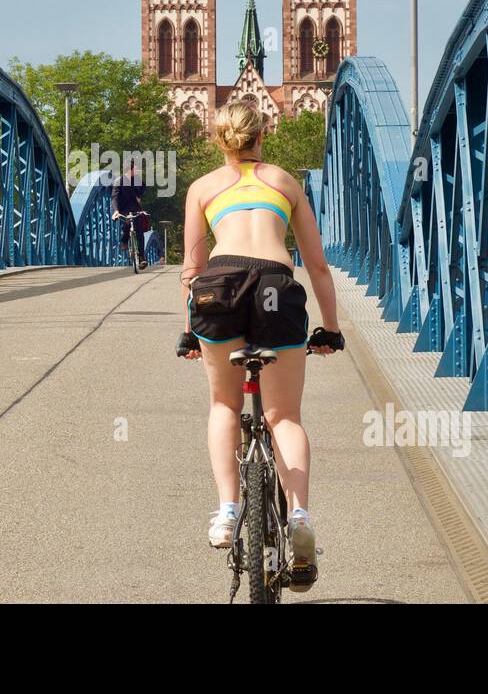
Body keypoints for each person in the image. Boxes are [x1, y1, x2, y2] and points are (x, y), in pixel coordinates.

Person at [176, 101, 343, 592]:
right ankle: (298, 518)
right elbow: (317, 266)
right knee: (284, 416)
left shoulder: (203, 187)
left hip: (220, 284)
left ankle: (227, 511)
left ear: (219, 140)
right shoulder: (285, 181)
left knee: (225, 403)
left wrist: (191, 329)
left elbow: (191, 269)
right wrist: (330, 329)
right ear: (262, 134)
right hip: (275, 283)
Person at [111, 159, 149, 268]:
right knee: (128, 222)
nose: (137, 170)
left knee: (139, 231)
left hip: (135, 207)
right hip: (123, 209)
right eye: (135, 168)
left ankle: (142, 258)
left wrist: (139, 196)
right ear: (130, 170)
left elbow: (143, 186)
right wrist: (116, 211)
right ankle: (124, 240)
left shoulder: (137, 180)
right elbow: (114, 198)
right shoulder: (119, 181)